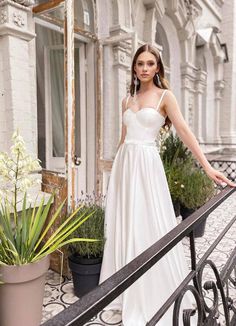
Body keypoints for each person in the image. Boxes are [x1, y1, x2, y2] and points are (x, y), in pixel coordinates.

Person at [99, 44, 236, 326]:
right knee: (125, 226)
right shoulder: (128, 99)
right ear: (134, 67)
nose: (145, 68)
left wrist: (208, 168)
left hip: (147, 166)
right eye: (140, 63)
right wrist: (114, 174)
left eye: (150, 63)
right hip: (126, 166)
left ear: (158, 68)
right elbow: (123, 139)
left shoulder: (165, 96)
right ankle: (125, 291)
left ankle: (150, 293)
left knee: (147, 225)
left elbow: (185, 131)